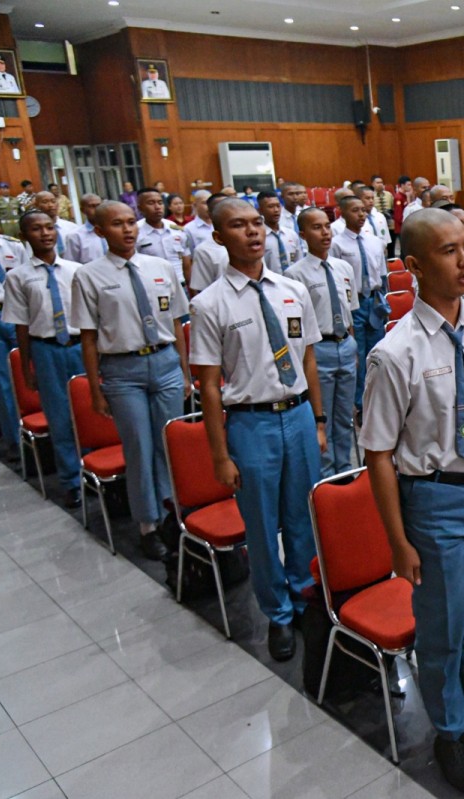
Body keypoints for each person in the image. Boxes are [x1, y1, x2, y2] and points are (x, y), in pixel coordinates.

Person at [361, 207, 464, 793]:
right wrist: (398, 540)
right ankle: (449, 727)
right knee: (443, 627)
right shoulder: (395, 352)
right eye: (448, 251)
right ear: (413, 266)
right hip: (434, 502)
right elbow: (378, 455)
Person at [191, 199, 323, 662]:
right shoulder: (209, 303)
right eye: (238, 226)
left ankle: (306, 596)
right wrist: (220, 455)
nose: (252, 233)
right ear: (218, 237)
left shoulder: (292, 289)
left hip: (299, 415)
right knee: (263, 528)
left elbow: (308, 356)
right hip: (251, 422)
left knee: (302, 516)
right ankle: (278, 614)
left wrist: (319, 420)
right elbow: (208, 385)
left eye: (258, 224)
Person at [71, 200, 190, 560]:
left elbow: (175, 323)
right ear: (100, 231)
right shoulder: (89, 275)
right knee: (139, 447)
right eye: (117, 224)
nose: (127, 230)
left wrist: (184, 372)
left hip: (165, 362)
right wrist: (96, 388)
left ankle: (173, 513)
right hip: (123, 370)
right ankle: (147, 525)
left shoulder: (159, 267)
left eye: (130, 223)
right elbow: (89, 338)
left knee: (168, 444)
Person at [6, 211, 86, 508]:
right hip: (46, 348)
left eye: (49, 227)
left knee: (90, 410)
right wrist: (27, 367)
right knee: (60, 416)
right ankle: (71, 480)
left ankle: (93, 468)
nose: (45, 234)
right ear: (25, 236)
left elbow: (92, 318)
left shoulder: (77, 270)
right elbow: (21, 326)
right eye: (36, 229)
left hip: (79, 347)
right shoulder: (18, 277)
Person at [285, 208, 357, 477]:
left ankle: (345, 469)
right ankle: (327, 475)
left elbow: (350, 311)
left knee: (344, 415)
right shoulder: (294, 275)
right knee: (322, 415)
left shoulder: (343, 268)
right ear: (303, 234)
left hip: (345, 345)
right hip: (319, 349)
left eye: (327, 226)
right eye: (317, 227)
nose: (325, 232)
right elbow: (298, 325)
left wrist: (353, 346)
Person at [330, 194, 388, 412]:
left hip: (373, 301)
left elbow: (381, 275)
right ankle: (361, 403)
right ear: (343, 213)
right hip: (352, 303)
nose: (361, 214)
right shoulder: (336, 244)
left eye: (363, 210)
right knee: (358, 354)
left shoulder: (374, 241)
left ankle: (379, 398)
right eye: (355, 210)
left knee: (377, 353)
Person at [0, 200, 28, 459]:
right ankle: (15, 442)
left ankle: (40, 437)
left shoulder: (13, 246)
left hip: (16, 315)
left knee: (28, 377)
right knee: (2, 382)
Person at [136, 188, 191, 287]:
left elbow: (186, 261)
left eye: (160, 203)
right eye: (151, 203)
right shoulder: (135, 232)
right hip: (153, 287)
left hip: (180, 285)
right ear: (140, 208)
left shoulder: (176, 229)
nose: (157, 207)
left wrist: (191, 287)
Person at [259, 192, 302, 273]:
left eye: (278, 206)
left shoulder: (291, 234)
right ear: (260, 210)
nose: (276, 210)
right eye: (270, 206)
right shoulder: (258, 237)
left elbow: (298, 260)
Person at [29, 191, 79, 258]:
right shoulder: (33, 231)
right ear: (36, 206)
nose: (50, 205)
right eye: (45, 202)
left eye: (53, 201)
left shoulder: (72, 228)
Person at [65, 193, 108, 265]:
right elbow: (71, 264)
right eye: (92, 206)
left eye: (99, 205)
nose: (97, 209)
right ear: (83, 210)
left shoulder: (113, 230)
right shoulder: (75, 236)